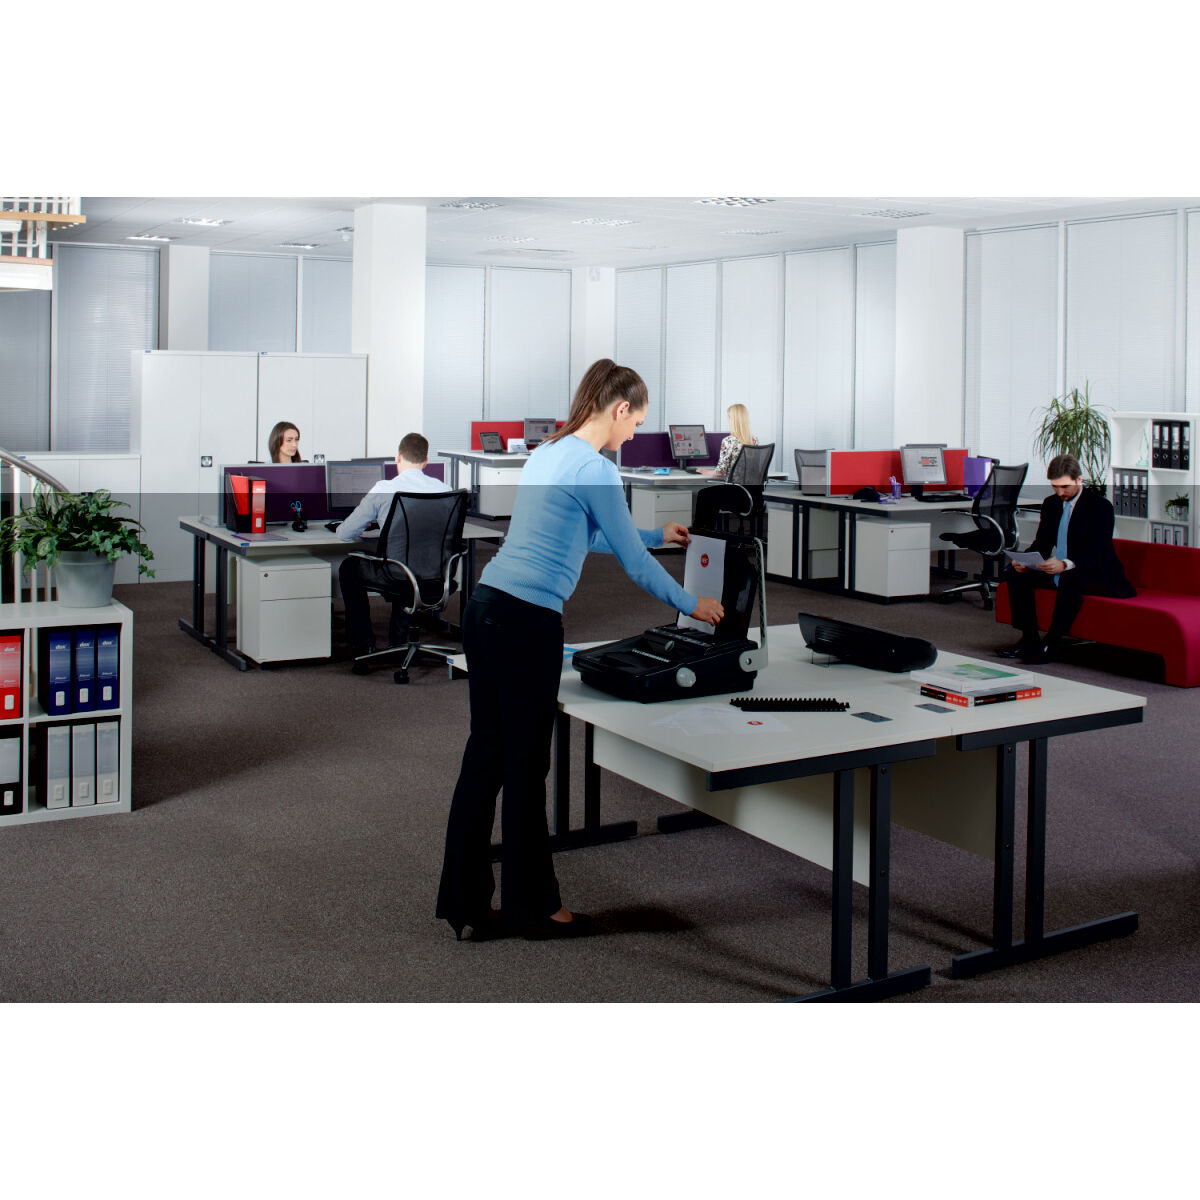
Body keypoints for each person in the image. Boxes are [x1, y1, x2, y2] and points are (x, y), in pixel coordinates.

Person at [435, 359, 725, 942]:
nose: (633, 435)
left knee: (485, 759)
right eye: (635, 423)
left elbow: (586, 534)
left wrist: (655, 534)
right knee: (525, 768)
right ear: (620, 408)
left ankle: (465, 904)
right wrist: (692, 604)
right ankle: (535, 910)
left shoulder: (549, 452)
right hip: (527, 622)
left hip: (486, 608)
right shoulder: (596, 468)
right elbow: (633, 564)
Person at [997, 453, 1135, 664]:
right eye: (1055, 487)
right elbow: (1042, 543)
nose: (1060, 492)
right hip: (1061, 568)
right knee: (1015, 575)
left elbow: (1096, 550)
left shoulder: (1100, 507)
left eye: (1065, 487)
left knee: (1071, 578)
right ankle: (1029, 640)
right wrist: (1024, 560)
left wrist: (1064, 564)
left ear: (1079, 480)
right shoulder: (1051, 504)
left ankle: (1053, 643)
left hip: (1097, 572)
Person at [336, 432, 449, 666]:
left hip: (397, 573)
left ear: (398, 457)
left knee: (349, 567)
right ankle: (397, 642)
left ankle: (363, 645)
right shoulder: (444, 489)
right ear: (426, 462)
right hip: (434, 575)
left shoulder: (384, 488)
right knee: (407, 565)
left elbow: (344, 534)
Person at [697, 403, 757, 477]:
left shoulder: (728, 441)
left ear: (733, 420)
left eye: (729, 417)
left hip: (734, 483)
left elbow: (720, 472)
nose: (728, 420)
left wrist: (706, 472)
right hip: (751, 483)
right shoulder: (754, 440)